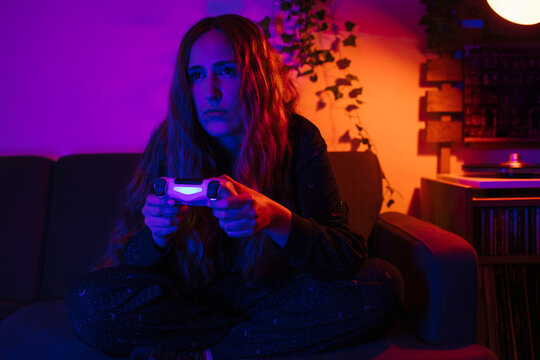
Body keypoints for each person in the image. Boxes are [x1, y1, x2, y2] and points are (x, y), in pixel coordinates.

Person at [66, 14, 403, 360]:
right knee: (87, 302)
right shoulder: (170, 142)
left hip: (277, 293)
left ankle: (205, 352)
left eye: (226, 71)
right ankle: (231, 345)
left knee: (382, 284)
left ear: (255, 77)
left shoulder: (298, 139)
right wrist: (156, 237)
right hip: (192, 300)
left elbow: (344, 255)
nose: (210, 92)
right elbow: (130, 263)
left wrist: (277, 218)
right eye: (197, 75)